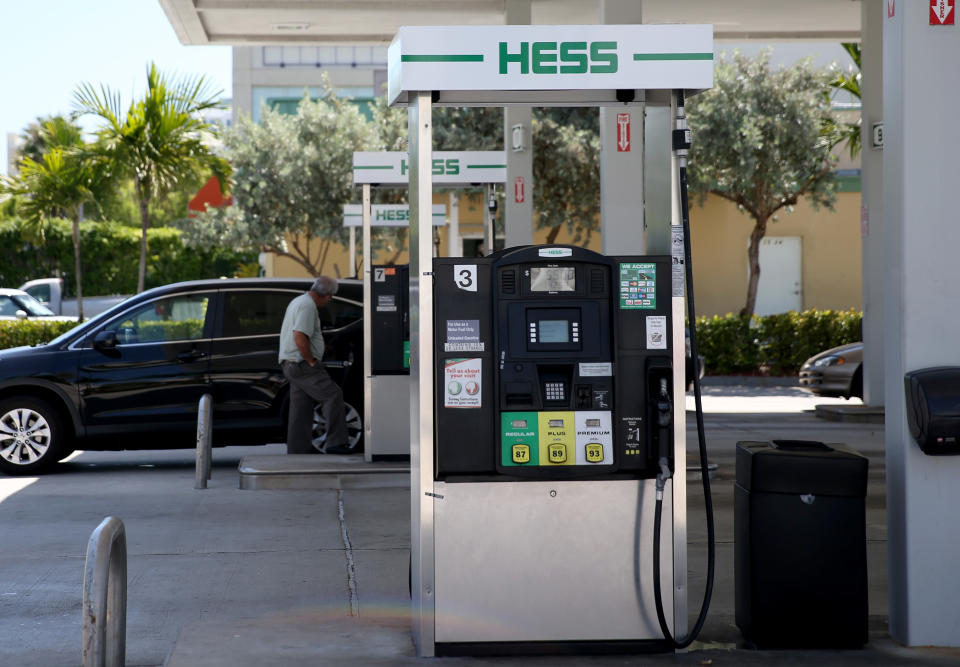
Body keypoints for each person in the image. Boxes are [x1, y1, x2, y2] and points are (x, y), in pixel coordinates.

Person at [278, 276, 351, 454]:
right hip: (302, 364)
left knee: (300, 408)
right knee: (333, 395)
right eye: (330, 298)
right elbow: (299, 336)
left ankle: (297, 449)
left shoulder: (299, 301)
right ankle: (336, 443)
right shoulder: (307, 306)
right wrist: (311, 360)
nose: (329, 301)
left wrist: (320, 347)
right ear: (327, 295)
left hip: (291, 364)